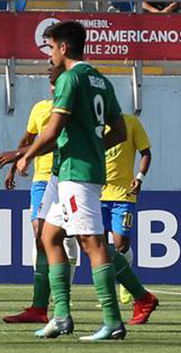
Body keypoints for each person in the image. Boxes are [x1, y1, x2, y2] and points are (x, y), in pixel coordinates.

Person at [15, 21, 157, 341]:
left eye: (51, 47)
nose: (49, 55)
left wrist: (25, 156)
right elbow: (118, 132)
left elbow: (52, 130)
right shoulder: (100, 80)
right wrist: (93, 147)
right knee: (50, 237)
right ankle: (62, 316)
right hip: (76, 172)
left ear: (64, 48)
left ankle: (112, 321)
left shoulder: (70, 78)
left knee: (92, 244)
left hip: (77, 176)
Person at [0, 64, 79, 324]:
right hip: (45, 178)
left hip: (72, 175)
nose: (53, 85)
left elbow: (53, 139)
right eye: (51, 82)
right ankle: (41, 307)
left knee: (85, 241)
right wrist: (15, 165)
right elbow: (29, 138)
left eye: (56, 80)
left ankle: (135, 297)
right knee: (41, 235)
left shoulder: (73, 107)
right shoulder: (40, 108)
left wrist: (22, 155)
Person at [101, 114, 152, 304]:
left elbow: (146, 152)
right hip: (96, 193)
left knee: (121, 245)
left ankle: (126, 282)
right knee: (99, 246)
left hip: (123, 194)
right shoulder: (92, 123)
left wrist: (139, 177)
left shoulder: (130, 123)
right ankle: (107, 292)